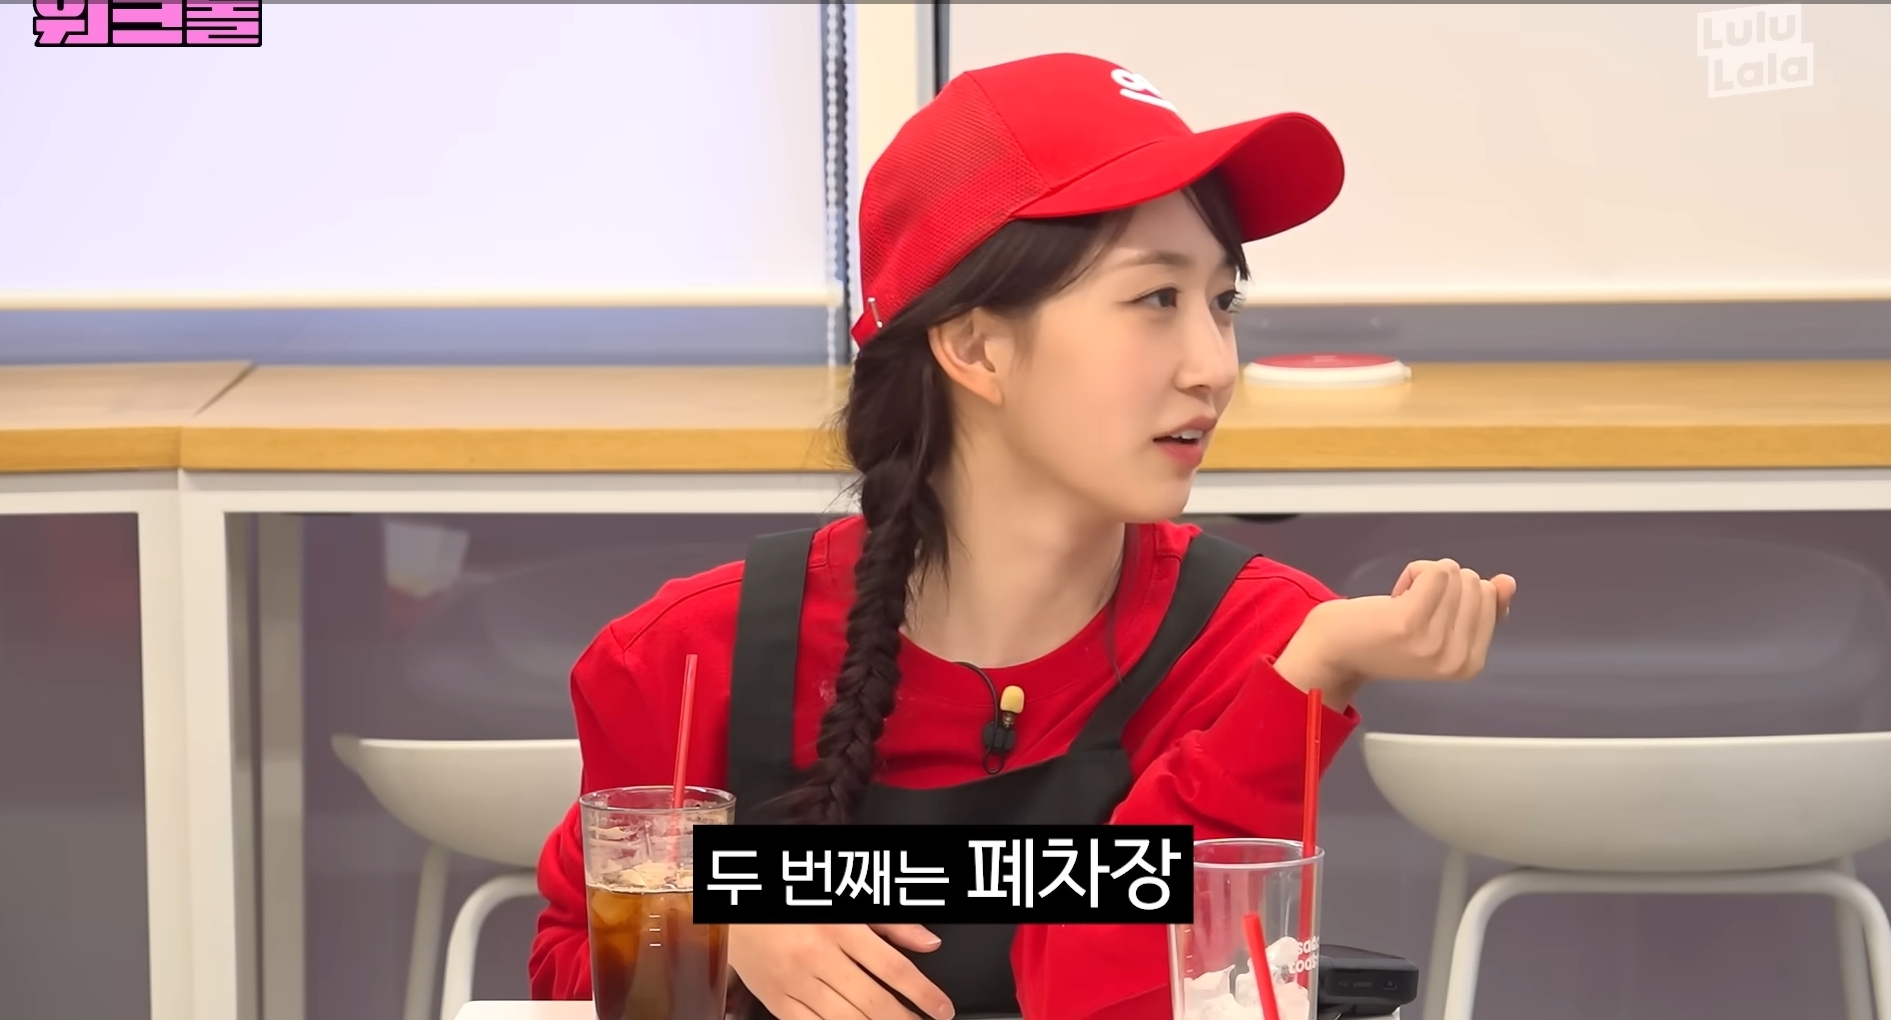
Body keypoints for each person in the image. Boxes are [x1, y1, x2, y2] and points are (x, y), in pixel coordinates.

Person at [530, 52, 1516, 1020]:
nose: (1214, 366)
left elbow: (1126, 997)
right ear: (975, 346)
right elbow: (570, 970)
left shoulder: (1265, 641)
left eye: (1222, 303)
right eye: (1156, 299)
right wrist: (710, 924)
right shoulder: (684, 658)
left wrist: (1309, 681)